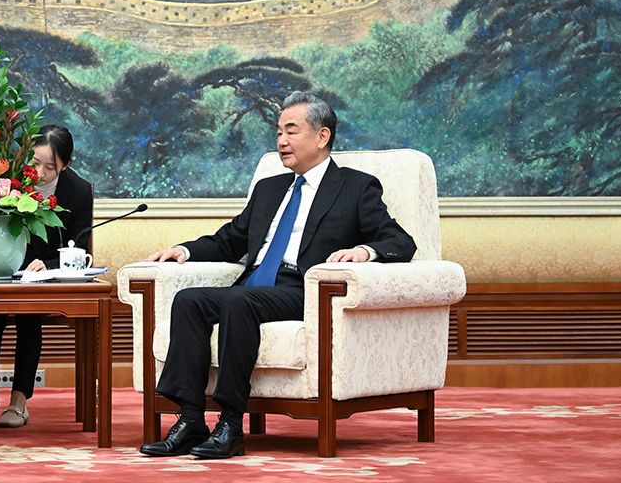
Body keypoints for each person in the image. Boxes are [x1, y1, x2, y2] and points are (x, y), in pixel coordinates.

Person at [138, 92, 416, 459]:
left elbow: (400, 242)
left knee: (239, 301)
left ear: (322, 136)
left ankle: (230, 424)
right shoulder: (269, 189)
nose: (281, 141)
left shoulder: (355, 187)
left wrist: (365, 252)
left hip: (303, 289)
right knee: (189, 300)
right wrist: (184, 251)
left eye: (291, 131)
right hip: (254, 287)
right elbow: (229, 240)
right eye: (278, 132)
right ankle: (190, 420)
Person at [0, 124, 94, 428]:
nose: (41, 173)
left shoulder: (79, 191)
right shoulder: (11, 181)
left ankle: (19, 402)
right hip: (5, 267)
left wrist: (48, 264)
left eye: (51, 167)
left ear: (65, 165)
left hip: (44, 275)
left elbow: (79, 246)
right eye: (36, 163)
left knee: (29, 315)